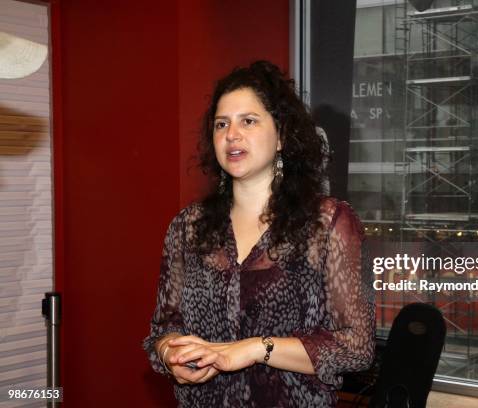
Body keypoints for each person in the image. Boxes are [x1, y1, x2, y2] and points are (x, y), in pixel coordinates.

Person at [143, 60, 375, 407]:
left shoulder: (327, 223)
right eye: (222, 124)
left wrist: (254, 349)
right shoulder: (187, 226)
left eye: (248, 121)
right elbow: (163, 329)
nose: (231, 135)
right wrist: (171, 356)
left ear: (281, 135)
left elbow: (356, 348)